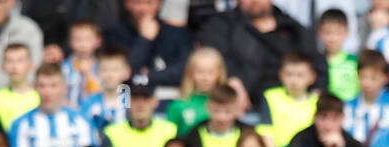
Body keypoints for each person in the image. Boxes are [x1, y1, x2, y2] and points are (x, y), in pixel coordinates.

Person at [195, 0, 326, 109]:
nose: (254, 1)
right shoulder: (221, 25)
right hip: (237, 110)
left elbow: (318, 68)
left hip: (288, 109)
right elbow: (211, 57)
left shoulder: (293, 29)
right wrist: (232, 80)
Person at [104, 0, 190, 88]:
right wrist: (144, 40)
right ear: (127, 4)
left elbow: (185, 70)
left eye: (149, 3)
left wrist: (148, 76)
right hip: (129, 95)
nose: (143, 9)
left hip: (171, 95)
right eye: (137, 3)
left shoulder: (176, 33)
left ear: (159, 3)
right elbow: (121, 73)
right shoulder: (114, 35)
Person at [0, 43, 40, 131]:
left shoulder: (42, 97)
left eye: (20, 60)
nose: (14, 66)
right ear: (2, 65)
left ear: (30, 65)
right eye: (9, 61)